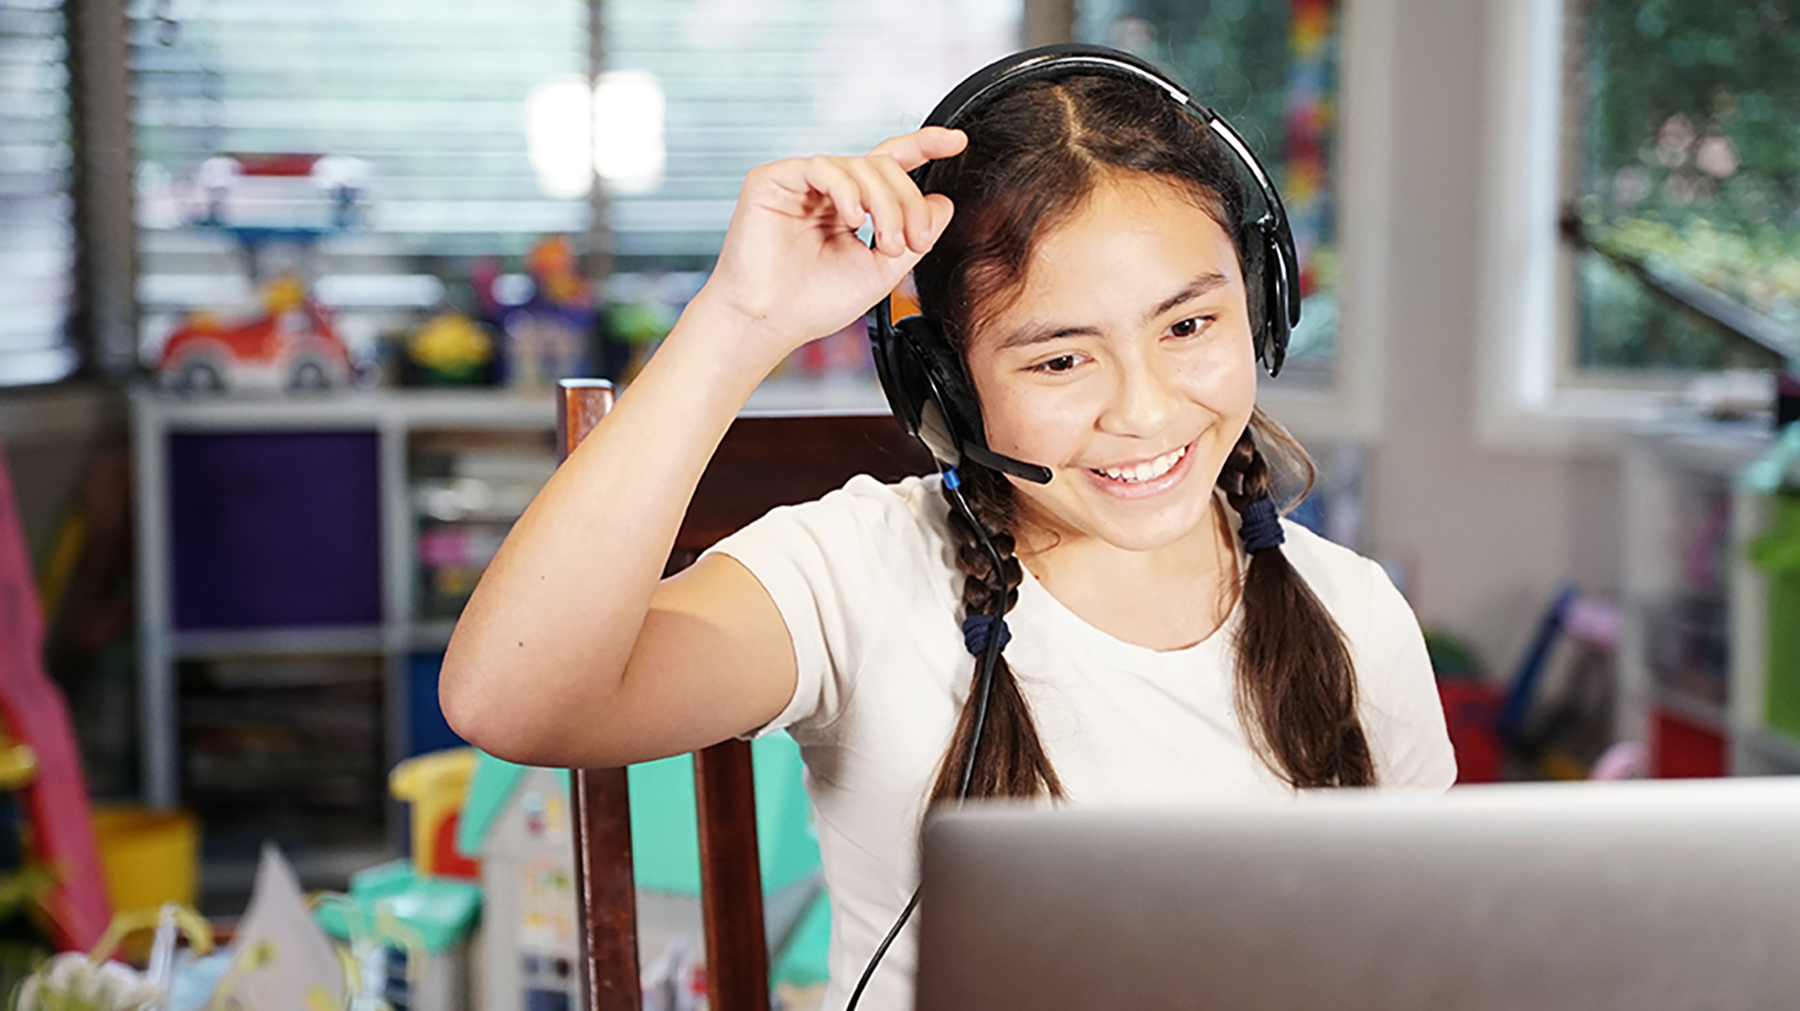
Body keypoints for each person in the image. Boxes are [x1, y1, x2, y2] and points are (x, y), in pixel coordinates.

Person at [441, 46, 1456, 1011]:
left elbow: (1429, 957)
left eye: (1188, 326)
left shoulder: (1355, 614)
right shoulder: (858, 573)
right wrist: (741, 322)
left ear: (1263, 303)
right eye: (1059, 360)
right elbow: (516, 700)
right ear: (950, 391)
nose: (1143, 412)